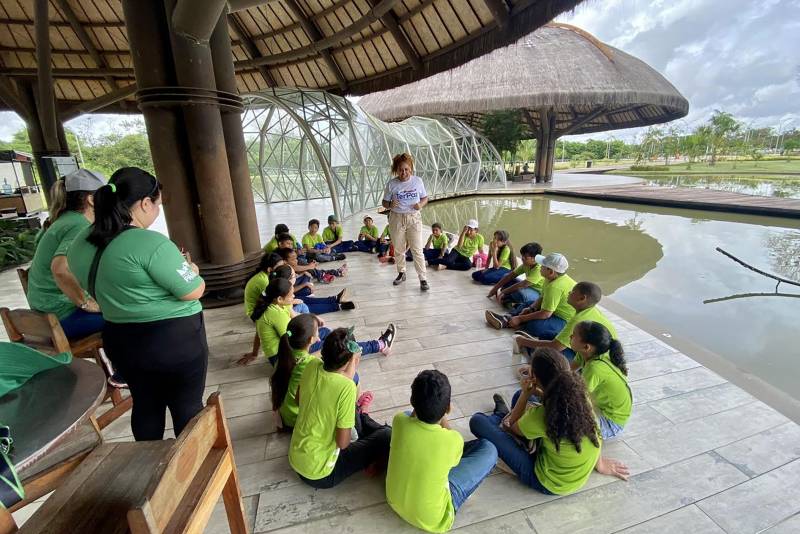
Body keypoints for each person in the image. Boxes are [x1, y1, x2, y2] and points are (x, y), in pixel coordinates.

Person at [67, 167, 207, 441]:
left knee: (145, 405)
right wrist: (192, 270)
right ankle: (189, 465)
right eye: (157, 204)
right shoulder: (149, 242)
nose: (157, 210)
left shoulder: (81, 242)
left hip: (121, 340)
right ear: (144, 203)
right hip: (174, 341)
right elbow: (193, 290)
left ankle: (148, 461)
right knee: (187, 407)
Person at [469, 348, 629, 495]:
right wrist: (599, 464)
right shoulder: (580, 398)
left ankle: (500, 415)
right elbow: (596, 432)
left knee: (478, 421)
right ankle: (501, 415)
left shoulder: (541, 416)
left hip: (547, 481)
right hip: (575, 474)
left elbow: (511, 427)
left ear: (535, 378)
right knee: (518, 396)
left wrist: (526, 394)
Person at [386, 370, 497, 532]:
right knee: (489, 450)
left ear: (412, 401)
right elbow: (454, 452)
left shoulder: (398, 420)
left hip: (393, 500)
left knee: (411, 420)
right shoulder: (453, 440)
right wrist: (442, 415)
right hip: (435, 519)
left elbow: (410, 416)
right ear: (449, 408)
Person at [289, 328, 392, 489]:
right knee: (387, 435)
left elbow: (298, 401)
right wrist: (352, 366)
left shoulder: (311, 364)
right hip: (321, 474)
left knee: (353, 417)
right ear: (351, 360)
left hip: (297, 458)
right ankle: (367, 418)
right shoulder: (346, 387)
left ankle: (365, 417)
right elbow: (343, 443)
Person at [27, 169, 106, 339]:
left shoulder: (64, 220)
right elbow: (60, 269)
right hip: (62, 317)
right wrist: (85, 303)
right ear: (91, 200)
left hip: (46, 314)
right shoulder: (79, 225)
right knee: (133, 319)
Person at [250, 278, 395, 366]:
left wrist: (314, 318)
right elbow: (291, 343)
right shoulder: (274, 313)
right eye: (291, 295)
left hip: (289, 348)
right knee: (338, 345)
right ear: (279, 299)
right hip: (283, 358)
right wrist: (319, 345)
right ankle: (379, 345)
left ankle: (346, 347)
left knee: (325, 332)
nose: (293, 296)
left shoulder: (277, 304)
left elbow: (294, 316)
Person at [513, 281, 618, 360]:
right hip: (584, 348)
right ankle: (533, 345)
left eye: (572, 292)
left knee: (546, 357)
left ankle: (531, 347)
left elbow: (556, 346)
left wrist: (522, 341)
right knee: (547, 335)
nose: (569, 293)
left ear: (582, 298)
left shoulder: (580, 320)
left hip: (591, 359)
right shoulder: (589, 310)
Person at [485, 253, 575, 340]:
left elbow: (546, 314)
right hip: (551, 311)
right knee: (528, 304)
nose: (540, 267)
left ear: (551, 271)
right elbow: (542, 297)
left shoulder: (555, 286)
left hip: (562, 319)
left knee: (535, 326)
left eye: (543, 266)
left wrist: (520, 318)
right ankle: (507, 319)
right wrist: (531, 308)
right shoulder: (551, 278)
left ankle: (516, 324)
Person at [570, 321, 632, 440]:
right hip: (601, 409)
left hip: (611, 423)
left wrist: (541, 391)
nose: (570, 336)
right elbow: (567, 371)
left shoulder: (594, 368)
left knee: (563, 419)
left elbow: (575, 398)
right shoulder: (588, 354)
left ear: (586, 347)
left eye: (574, 335)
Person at [381, 153, 429, 291]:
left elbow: (425, 198)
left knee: (417, 249)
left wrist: (420, 204)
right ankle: (401, 273)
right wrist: (390, 204)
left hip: (414, 218)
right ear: (396, 170)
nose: (404, 173)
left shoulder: (417, 181)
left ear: (411, 169)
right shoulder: (392, 184)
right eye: (401, 170)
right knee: (399, 248)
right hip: (396, 218)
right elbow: (384, 202)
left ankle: (423, 278)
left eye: (406, 169)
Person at [239, 252, 286, 365]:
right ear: (270, 269)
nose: (282, 268)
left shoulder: (265, 276)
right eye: (279, 267)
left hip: (261, 306)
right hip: (255, 311)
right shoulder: (264, 281)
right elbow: (261, 320)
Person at [270, 264, 354, 314]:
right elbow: (280, 305)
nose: (296, 275)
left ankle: (334, 299)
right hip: (286, 311)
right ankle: (338, 306)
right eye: (294, 275)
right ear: (288, 279)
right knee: (306, 306)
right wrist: (293, 301)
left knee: (305, 299)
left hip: (288, 302)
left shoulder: (284, 284)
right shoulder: (283, 289)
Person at [487, 243, 544, 313]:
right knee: (506, 276)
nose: (522, 258)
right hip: (527, 287)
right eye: (522, 256)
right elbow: (510, 276)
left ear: (534, 259)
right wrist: (495, 288)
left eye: (525, 257)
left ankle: (510, 301)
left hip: (537, 292)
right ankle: (509, 300)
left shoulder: (539, 268)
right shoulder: (526, 264)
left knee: (521, 293)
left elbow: (522, 285)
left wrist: (503, 292)